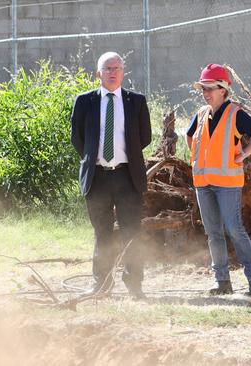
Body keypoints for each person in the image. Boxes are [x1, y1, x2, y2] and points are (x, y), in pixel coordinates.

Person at [70, 52, 152, 298]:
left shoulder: (135, 101)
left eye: (117, 67)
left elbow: (144, 137)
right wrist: (95, 158)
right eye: (107, 68)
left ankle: (134, 283)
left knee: (132, 231)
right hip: (98, 178)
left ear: (123, 72)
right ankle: (102, 283)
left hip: (128, 176)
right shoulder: (85, 101)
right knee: (102, 232)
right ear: (98, 74)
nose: (113, 72)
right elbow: (78, 139)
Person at [186, 63, 251, 297]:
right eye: (203, 89)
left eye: (210, 88)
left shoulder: (235, 113)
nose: (205, 93)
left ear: (223, 88)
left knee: (235, 229)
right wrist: (198, 160)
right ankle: (222, 282)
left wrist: (243, 153)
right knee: (213, 233)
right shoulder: (202, 114)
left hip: (227, 184)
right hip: (204, 184)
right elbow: (189, 136)